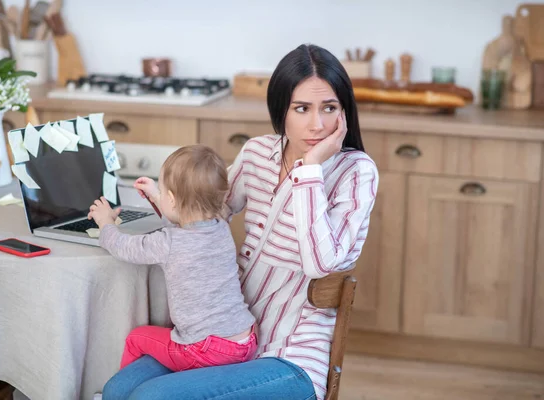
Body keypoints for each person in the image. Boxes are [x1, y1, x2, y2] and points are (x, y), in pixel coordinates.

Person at [102, 43, 379, 400]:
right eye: (302, 109)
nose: (317, 124)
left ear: (344, 112)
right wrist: (163, 198)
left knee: (150, 397)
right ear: (282, 110)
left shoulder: (356, 172)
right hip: (226, 337)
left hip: (291, 358)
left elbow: (320, 263)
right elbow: (204, 216)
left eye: (329, 108)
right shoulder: (258, 153)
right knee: (118, 389)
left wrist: (309, 170)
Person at [87, 145, 258, 374]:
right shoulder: (220, 229)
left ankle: (124, 390)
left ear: (172, 199)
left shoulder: (168, 243)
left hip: (205, 350)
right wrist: (157, 196)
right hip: (245, 341)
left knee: (136, 338)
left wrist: (106, 222)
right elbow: (186, 222)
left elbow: (123, 247)